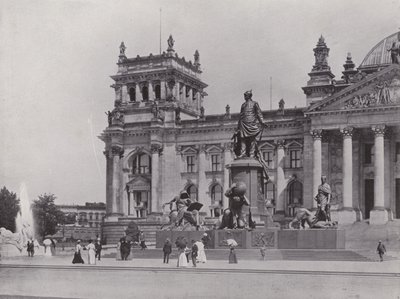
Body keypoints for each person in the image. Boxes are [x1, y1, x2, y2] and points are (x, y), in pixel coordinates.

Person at [235, 90, 266, 158]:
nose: (244, 96)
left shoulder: (255, 103)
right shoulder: (243, 105)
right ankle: (243, 153)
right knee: (242, 138)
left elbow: (259, 113)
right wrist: (238, 127)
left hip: (252, 122)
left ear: (249, 96)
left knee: (252, 138)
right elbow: (241, 116)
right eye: (244, 95)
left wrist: (262, 122)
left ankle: (252, 154)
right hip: (243, 123)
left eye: (245, 95)